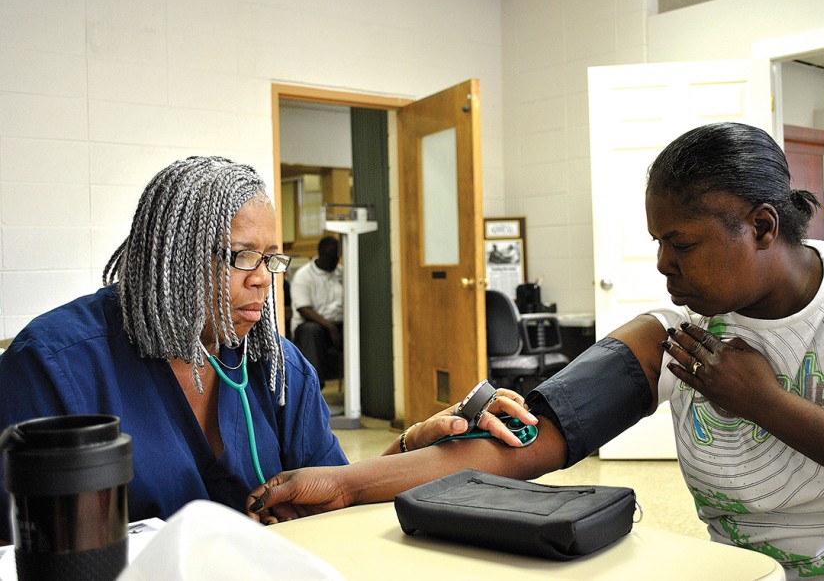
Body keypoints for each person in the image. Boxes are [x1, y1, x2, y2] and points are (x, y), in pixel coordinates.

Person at [247, 123, 824, 580]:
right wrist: (343, 482)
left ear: (763, 228)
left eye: (680, 245)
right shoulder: (676, 334)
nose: (661, 266)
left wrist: (762, 402)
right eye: (657, 243)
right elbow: (525, 440)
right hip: (738, 572)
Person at [0, 156, 534, 544]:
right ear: (168, 259)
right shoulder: (54, 366)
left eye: (272, 260)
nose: (263, 281)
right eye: (240, 257)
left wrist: (413, 447)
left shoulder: (276, 367)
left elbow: (328, 491)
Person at [290, 235, 344, 387]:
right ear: (320, 253)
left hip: (338, 322)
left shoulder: (341, 272)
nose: (335, 261)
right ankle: (314, 385)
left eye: (337, 257)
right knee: (311, 331)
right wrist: (330, 327)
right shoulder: (304, 275)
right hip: (313, 323)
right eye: (331, 257)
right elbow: (304, 309)